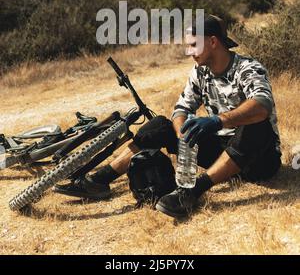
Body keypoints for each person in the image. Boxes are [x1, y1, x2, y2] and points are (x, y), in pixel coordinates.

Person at [54, 15, 281, 218]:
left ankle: (191, 192)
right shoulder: (200, 72)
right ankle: (99, 180)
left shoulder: (247, 68)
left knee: (257, 125)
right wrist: (182, 133)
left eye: (194, 45)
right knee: (160, 125)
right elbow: (181, 108)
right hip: (221, 155)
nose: (189, 51)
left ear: (213, 42)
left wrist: (218, 120)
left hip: (258, 161)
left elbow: (262, 105)